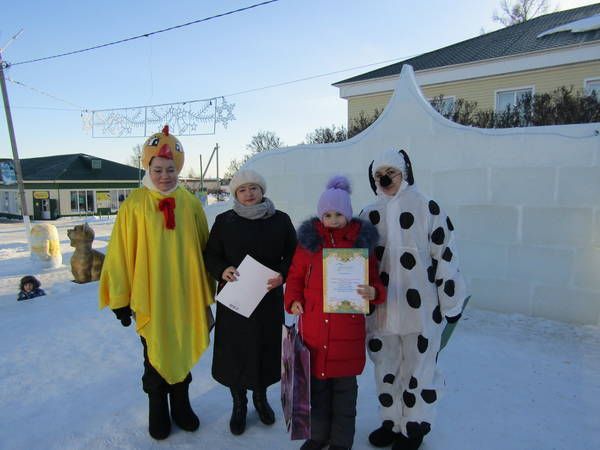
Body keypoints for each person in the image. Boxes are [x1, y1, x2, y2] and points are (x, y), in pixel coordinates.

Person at [99, 125, 215, 440]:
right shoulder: (134, 205)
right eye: (158, 169)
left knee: (182, 342)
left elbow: (206, 248)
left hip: (185, 294)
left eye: (171, 169)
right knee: (153, 352)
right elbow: (120, 253)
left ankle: (181, 404)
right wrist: (120, 299)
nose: (165, 175)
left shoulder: (190, 203)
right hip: (149, 297)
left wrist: (211, 286)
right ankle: (157, 407)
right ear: (148, 168)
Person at [360, 148, 467, 450]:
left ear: (404, 172)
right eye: (379, 174)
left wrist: (452, 302)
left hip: (421, 310)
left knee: (419, 368)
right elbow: (355, 260)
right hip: (381, 308)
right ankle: (391, 421)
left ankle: (415, 426)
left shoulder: (426, 207)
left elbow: (446, 254)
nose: (385, 178)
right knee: (386, 366)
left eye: (391, 172)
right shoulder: (368, 214)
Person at [285, 175, 387, 450]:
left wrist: (373, 293)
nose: (333, 219)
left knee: (344, 397)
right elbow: (294, 276)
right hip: (315, 334)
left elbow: (376, 280)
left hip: (347, 335)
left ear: (348, 214)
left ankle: (341, 442)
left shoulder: (360, 245)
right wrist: (293, 299)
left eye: (339, 214)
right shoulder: (309, 244)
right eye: (327, 214)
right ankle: (317, 437)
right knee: (316, 393)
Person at [204, 169, 297, 436]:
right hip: (235, 301)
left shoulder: (280, 220)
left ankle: (260, 397)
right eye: (242, 190)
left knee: (264, 350)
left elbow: (294, 253)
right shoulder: (224, 221)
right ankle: (239, 403)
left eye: (254, 188)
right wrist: (222, 270)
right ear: (235, 193)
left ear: (262, 190)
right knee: (236, 352)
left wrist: (283, 274)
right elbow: (211, 255)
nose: (249, 193)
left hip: (267, 299)